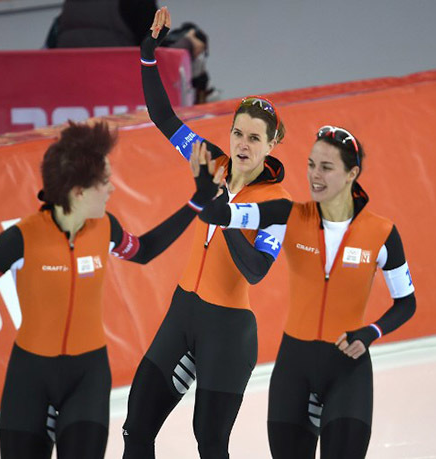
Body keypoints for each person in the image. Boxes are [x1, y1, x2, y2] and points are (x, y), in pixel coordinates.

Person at [0, 120, 223, 459]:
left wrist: (198, 200)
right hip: (30, 379)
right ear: (78, 192)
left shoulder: (105, 228)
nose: (112, 189)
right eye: (104, 182)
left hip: (87, 379)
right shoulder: (19, 240)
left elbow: (145, 251)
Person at [121, 7, 291, 458]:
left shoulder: (277, 203)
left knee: (210, 443)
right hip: (183, 314)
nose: (242, 145)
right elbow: (163, 116)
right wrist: (147, 56)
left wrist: (226, 218)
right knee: (136, 428)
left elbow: (256, 271)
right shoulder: (211, 162)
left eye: (255, 138)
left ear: (272, 145)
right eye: (238, 133)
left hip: (228, 331)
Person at [198, 125, 417, 458]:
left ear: (351, 173)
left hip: (347, 370)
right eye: (312, 164)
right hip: (294, 370)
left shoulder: (382, 233)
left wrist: (371, 331)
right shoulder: (288, 216)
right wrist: (214, 196)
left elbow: (406, 303)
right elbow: (227, 214)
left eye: (326, 167)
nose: (315, 175)